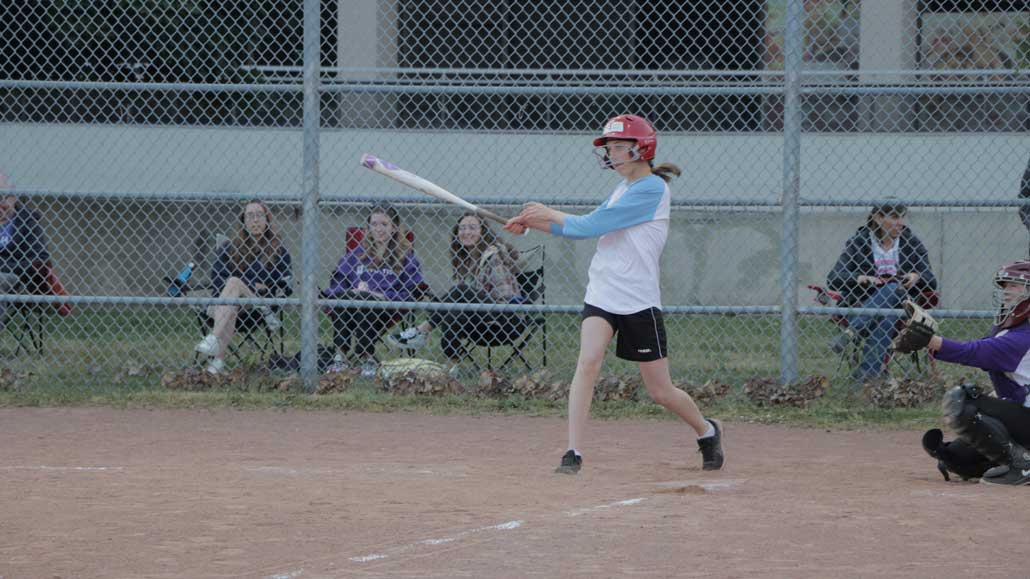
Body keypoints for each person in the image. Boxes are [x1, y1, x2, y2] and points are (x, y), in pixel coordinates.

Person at [503, 113, 724, 475]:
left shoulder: (652, 189)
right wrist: (532, 223)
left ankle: (706, 430)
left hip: (639, 301)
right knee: (588, 362)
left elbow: (593, 224)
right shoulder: (621, 188)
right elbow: (579, 231)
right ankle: (572, 451)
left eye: (620, 148)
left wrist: (547, 212)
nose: (613, 154)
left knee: (660, 391)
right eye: (611, 148)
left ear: (642, 149)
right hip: (603, 293)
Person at [903, 260, 1030, 486]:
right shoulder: (1014, 329)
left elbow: (976, 352)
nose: (1006, 291)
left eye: (1015, 286)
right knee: (957, 459)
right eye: (1005, 286)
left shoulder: (1024, 335)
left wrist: (931, 341)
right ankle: (1015, 459)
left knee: (961, 400)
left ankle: (1022, 466)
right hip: (1023, 415)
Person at [385, 212, 525, 377]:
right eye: (462, 228)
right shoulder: (467, 259)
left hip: (508, 318)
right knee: (452, 310)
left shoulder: (492, 255)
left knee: (460, 292)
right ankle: (450, 368)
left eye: (473, 228)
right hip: (484, 319)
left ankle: (420, 331)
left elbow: (506, 297)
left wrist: (474, 297)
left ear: (483, 232)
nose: (467, 232)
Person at [825, 201, 937, 381]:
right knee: (887, 316)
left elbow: (931, 281)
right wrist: (860, 278)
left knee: (894, 287)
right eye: (894, 217)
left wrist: (917, 277)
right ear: (877, 218)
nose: (900, 222)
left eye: (902, 217)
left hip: (904, 306)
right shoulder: (859, 242)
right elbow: (834, 278)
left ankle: (851, 334)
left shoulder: (911, 242)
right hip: (864, 302)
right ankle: (868, 375)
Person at [322, 204, 424, 378]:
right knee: (345, 296)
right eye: (374, 224)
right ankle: (340, 357)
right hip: (351, 303)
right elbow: (338, 281)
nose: (378, 229)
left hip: (386, 307)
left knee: (365, 300)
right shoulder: (356, 254)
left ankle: (367, 358)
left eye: (384, 224)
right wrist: (352, 291)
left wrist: (382, 295)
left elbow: (411, 291)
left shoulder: (406, 257)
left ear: (394, 228)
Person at [195, 200, 292, 374]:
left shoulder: (279, 251)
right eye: (250, 216)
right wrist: (252, 282)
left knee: (233, 282)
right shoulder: (229, 248)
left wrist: (252, 285)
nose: (255, 220)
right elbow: (217, 278)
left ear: (267, 220)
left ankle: (213, 339)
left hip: (260, 306)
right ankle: (218, 362)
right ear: (243, 221)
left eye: (259, 215)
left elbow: (284, 286)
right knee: (232, 300)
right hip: (232, 304)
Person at [0, 173, 51, 327]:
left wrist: (4, 266)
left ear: (14, 198)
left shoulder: (27, 222)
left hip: (17, 279)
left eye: (3, 197)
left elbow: (40, 259)